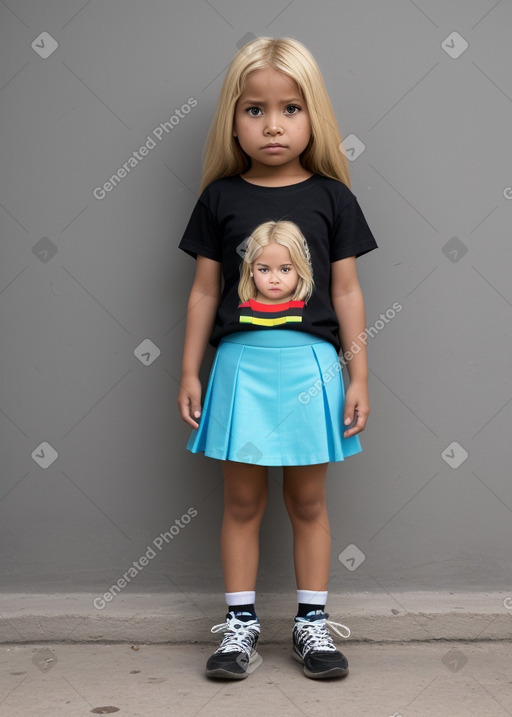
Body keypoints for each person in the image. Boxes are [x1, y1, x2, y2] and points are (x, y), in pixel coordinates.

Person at [177, 36, 378, 680]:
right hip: (240, 369)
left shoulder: (332, 198)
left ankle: (311, 628)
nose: (272, 124)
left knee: (309, 504)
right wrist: (188, 369)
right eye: (254, 110)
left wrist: (359, 375)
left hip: (313, 372)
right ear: (232, 121)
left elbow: (345, 289)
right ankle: (239, 628)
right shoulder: (219, 199)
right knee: (240, 503)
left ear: (313, 113)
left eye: (290, 108)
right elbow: (206, 289)